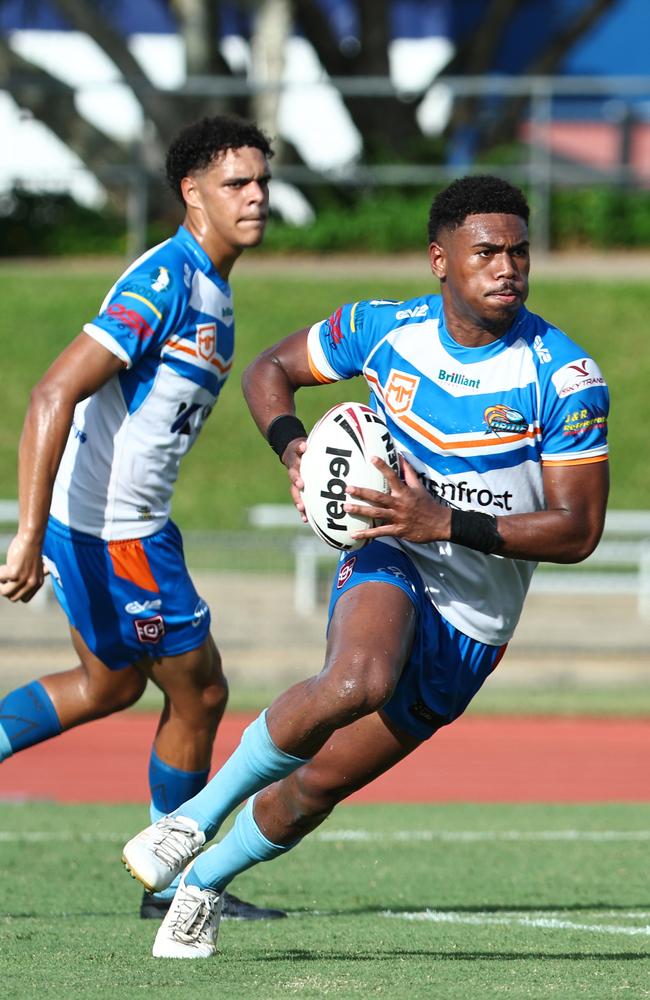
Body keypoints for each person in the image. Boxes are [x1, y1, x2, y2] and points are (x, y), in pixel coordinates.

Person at [121, 174, 610, 958]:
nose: (507, 267)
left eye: (520, 251)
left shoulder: (564, 377)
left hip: (473, 623)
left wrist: (441, 518)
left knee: (316, 787)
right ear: (439, 259)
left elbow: (578, 530)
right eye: (486, 251)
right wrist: (294, 449)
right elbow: (267, 374)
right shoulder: (382, 331)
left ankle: (204, 887)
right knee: (358, 680)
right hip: (391, 555)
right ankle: (189, 820)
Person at [0, 114, 287, 922]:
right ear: (192, 194)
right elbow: (53, 392)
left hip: (107, 523)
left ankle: (173, 874)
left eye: (262, 180)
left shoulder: (214, 289)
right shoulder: (167, 281)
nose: (256, 195)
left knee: (110, 682)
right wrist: (24, 535)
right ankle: (175, 880)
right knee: (198, 695)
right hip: (116, 531)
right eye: (237, 183)